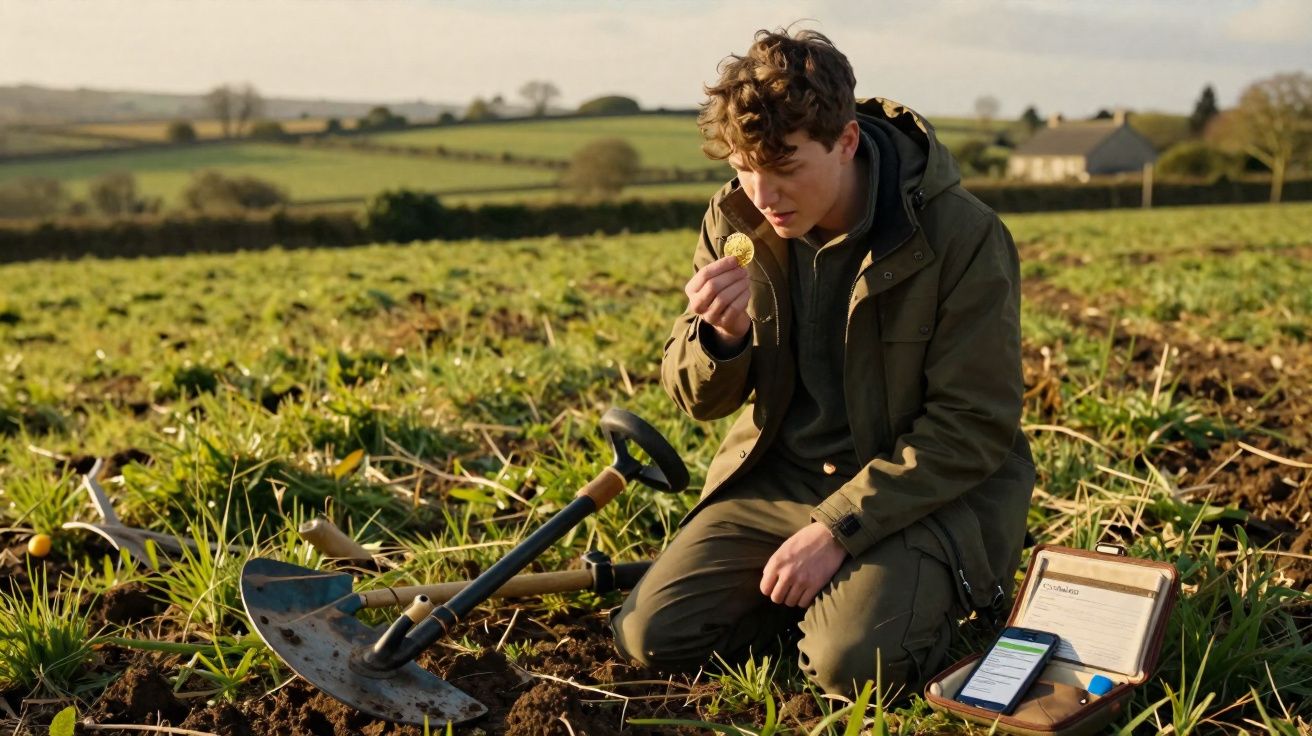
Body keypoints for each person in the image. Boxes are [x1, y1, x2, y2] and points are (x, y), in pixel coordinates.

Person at [609, 26, 1036, 699]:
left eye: (785, 170)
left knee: (852, 667)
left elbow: (973, 427)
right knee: (649, 636)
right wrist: (720, 339)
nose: (763, 194)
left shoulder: (962, 235)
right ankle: (820, 603)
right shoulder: (733, 218)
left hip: (917, 497)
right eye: (744, 169)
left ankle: (875, 606)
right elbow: (697, 400)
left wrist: (838, 530)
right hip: (776, 480)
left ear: (846, 141)